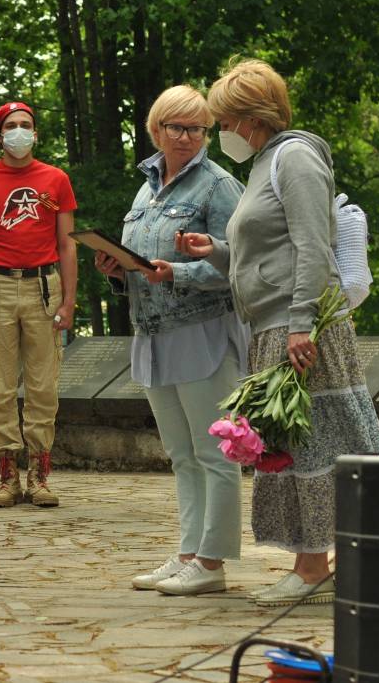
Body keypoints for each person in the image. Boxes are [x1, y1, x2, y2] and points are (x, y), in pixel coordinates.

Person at [177, 59, 379, 607]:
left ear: (251, 119)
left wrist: (299, 325)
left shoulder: (294, 159)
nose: (221, 133)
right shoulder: (264, 162)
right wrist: (218, 252)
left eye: (224, 121)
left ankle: (315, 566)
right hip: (273, 326)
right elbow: (270, 248)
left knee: (317, 445)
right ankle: (315, 561)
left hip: (304, 327)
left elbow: (314, 246)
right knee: (294, 448)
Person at [93, 85, 248, 596]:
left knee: (213, 451)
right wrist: (117, 271)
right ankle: (187, 551)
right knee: (180, 453)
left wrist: (177, 273)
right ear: (155, 130)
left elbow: (238, 264)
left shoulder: (218, 185)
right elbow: (142, 259)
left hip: (201, 329)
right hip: (154, 331)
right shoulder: (148, 188)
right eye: (176, 128)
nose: (187, 138)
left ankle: (211, 562)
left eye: (197, 128)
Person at [0, 102, 78, 508]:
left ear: (36, 133)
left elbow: (67, 242)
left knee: (44, 385)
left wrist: (70, 298)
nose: (19, 131)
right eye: (11, 126)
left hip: (43, 287)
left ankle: (39, 474)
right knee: (2, 387)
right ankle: (7, 474)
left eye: (26, 125)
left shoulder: (55, 180)